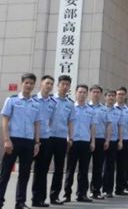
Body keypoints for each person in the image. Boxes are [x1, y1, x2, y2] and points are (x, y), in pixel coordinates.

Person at [0, 73, 40, 209]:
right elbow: (5, 120)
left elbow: (37, 124)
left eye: (31, 83)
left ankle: (20, 202)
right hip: (13, 140)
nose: (29, 85)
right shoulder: (12, 100)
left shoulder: (36, 103)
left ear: (34, 85)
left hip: (29, 141)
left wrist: (37, 143)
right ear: (22, 83)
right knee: (5, 172)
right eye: (26, 82)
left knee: (25, 173)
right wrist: (6, 139)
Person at [63, 84, 95, 203]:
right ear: (76, 93)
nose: (82, 94)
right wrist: (68, 138)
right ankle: (67, 194)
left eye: (84, 92)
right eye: (80, 92)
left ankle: (82, 194)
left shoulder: (90, 110)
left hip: (85, 142)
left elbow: (92, 127)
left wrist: (93, 141)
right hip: (73, 142)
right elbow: (66, 123)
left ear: (87, 94)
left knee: (84, 170)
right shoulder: (70, 107)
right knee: (70, 170)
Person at [31, 75, 56, 208]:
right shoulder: (33, 99)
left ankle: (39, 199)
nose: (49, 86)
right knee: (26, 171)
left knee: (42, 170)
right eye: (47, 83)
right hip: (31, 139)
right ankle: (21, 200)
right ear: (41, 83)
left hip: (46, 139)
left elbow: (50, 120)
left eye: (51, 84)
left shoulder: (53, 102)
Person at [49, 75, 74, 205]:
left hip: (61, 139)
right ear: (58, 85)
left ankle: (54, 196)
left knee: (59, 169)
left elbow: (70, 122)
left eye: (67, 84)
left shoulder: (70, 103)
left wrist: (70, 137)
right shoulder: (50, 100)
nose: (65, 86)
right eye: (62, 84)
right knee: (42, 167)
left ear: (69, 87)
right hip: (48, 138)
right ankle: (38, 197)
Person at [88, 85, 110, 200]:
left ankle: (96, 191)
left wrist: (107, 140)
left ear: (101, 94)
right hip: (86, 139)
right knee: (84, 167)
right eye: (94, 92)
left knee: (98, 167)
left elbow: (108, 125)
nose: (96, 94)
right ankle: (81, 192)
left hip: (100, 139)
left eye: (98, 92)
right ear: (90, 93)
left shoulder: (104, 109)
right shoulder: (85, 107)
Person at [102, 90, 123, 198]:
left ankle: (108, 190)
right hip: (101, 140)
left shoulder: (118, 112)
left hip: (113, 140)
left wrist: (120, 141)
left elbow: (120, 127)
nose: (111, 97)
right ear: (105, 97)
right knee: (99, 166)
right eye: (109, 95)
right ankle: (96, 190)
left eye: (112, 96)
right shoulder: (101, 109)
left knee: (110, 167)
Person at [114, 87, 128, 196]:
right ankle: (106, 189)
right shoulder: (110, 108)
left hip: (126, 140)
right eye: (118, 94)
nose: (120, 96)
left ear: (125, 96)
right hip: (113, 139)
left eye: (122, 94)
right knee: (108, 166)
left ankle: (120, 188)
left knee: (123, 166)